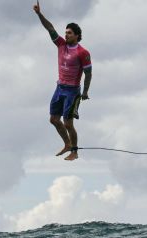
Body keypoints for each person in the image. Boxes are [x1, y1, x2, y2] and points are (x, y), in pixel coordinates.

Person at [33, 0, 92, 161]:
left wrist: (85, 92)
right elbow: (50, 28)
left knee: (68, 123)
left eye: (69, 33)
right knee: (53, 119)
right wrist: (39, 14)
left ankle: (74, 151)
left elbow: (88, 73)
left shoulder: (83, 52)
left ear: (77, 36)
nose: (66, 35)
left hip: (72, 91)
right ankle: (67, 144)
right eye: (65, 32)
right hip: (60, 88)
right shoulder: (61, 45)